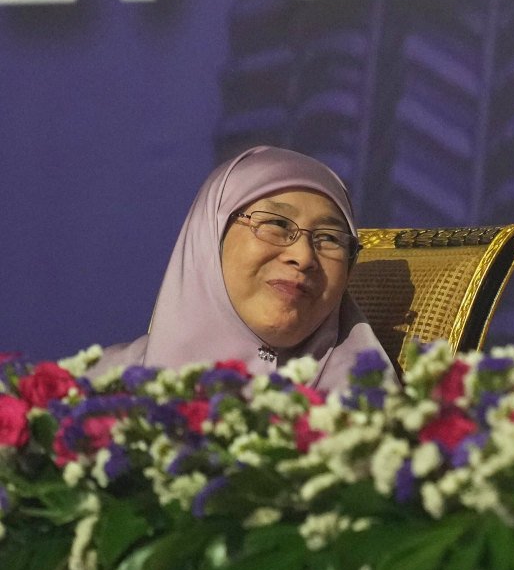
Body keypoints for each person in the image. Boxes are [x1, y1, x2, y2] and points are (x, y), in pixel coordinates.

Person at [95, 146, 392, 390]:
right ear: (210, 239)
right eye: (276, 224)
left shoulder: (368, 413)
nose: (303, 257)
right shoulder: (94, 396)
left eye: (329, 238)